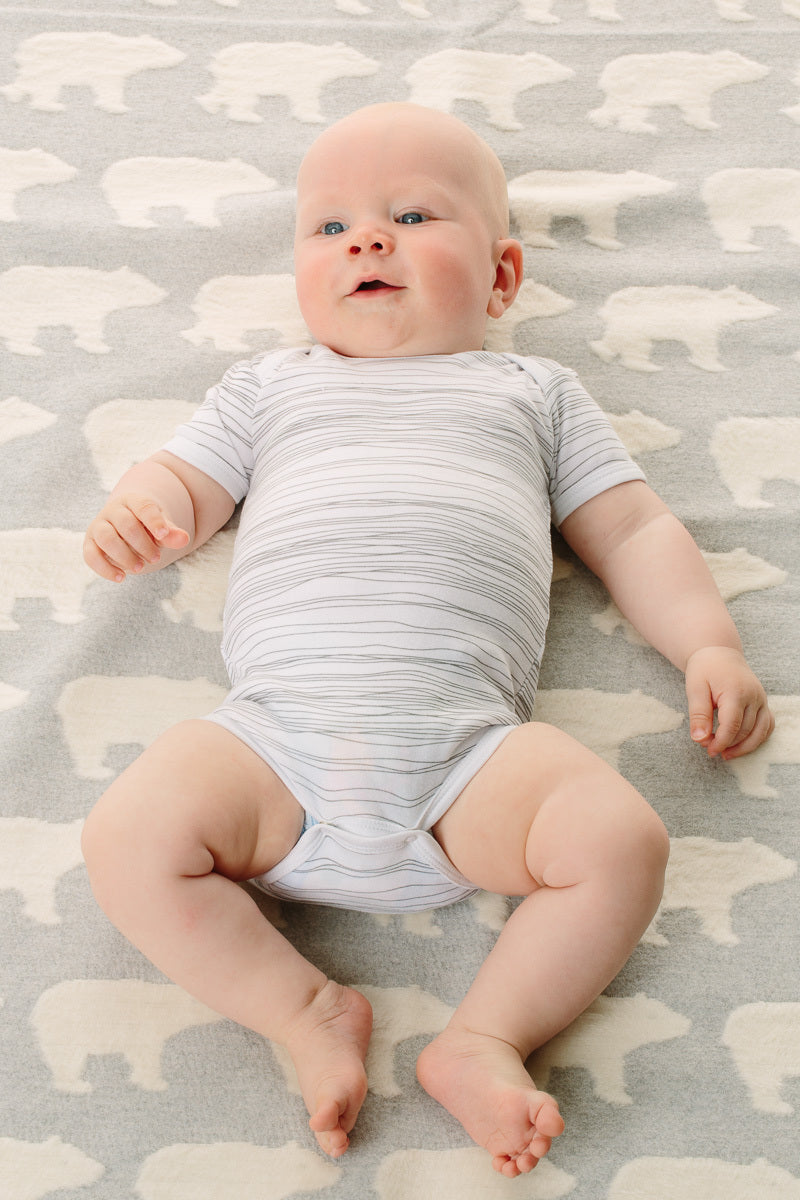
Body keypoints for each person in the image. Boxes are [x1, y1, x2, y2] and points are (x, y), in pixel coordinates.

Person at [81, 102, 774, 1178]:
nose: (366, 239)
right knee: (124, 838)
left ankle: (485, 1037)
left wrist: (707, 646)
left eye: (410, 216)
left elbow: (633, 529)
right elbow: (184, 479)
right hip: (272, 750)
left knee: (620, 841)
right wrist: (142, 505)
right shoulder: (270, 386)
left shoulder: (535, 394)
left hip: (468, 765)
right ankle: (301, 1008)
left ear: (501, 277)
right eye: (330, 227)